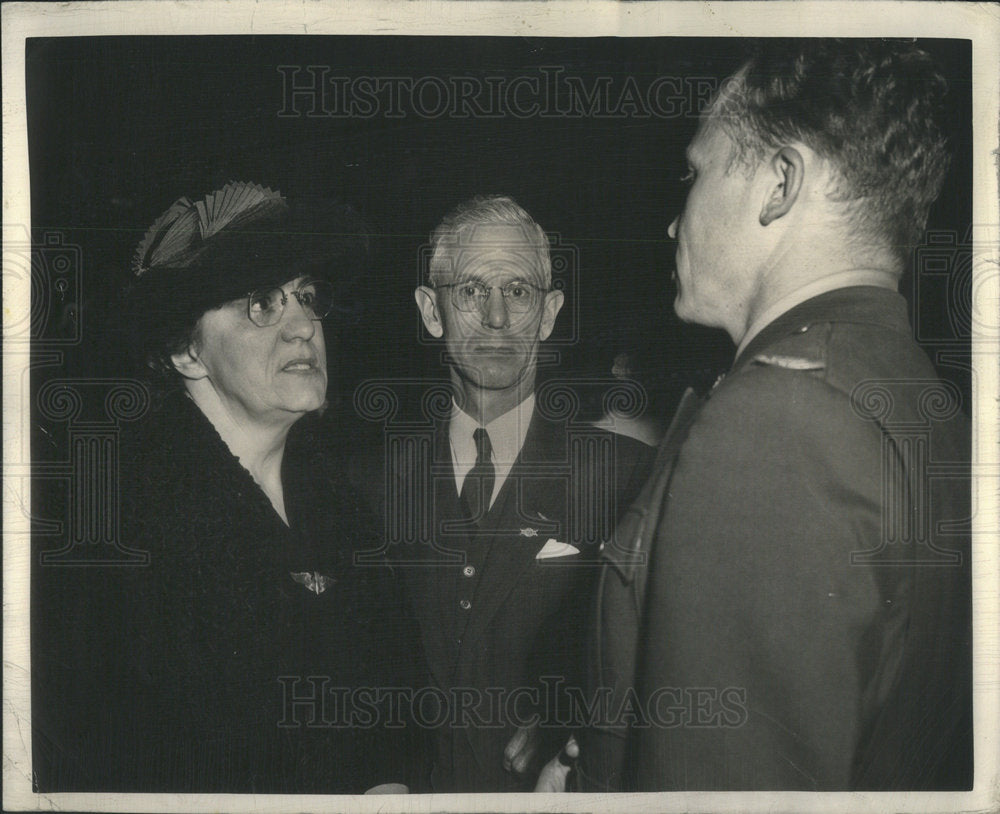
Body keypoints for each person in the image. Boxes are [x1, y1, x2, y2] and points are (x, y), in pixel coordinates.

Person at [541, 39, 973, 792]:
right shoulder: (920, 396)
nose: (675, 223)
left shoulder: (776, 426)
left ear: (779, 183)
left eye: (694, 171)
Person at [32, 181, 412, 793]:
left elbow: (395, 706)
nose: (302, 328)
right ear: (186, 350)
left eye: (306, 297)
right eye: (261, 302)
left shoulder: (345, 509)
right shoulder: (114, 532)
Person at [386, 195, 653, 792]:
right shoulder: (369, 482)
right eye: (472, 291)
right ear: (432, 312)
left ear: (550, 312)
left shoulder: (629, 478)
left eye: (520, 291)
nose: (498, 319)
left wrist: (579, 716)